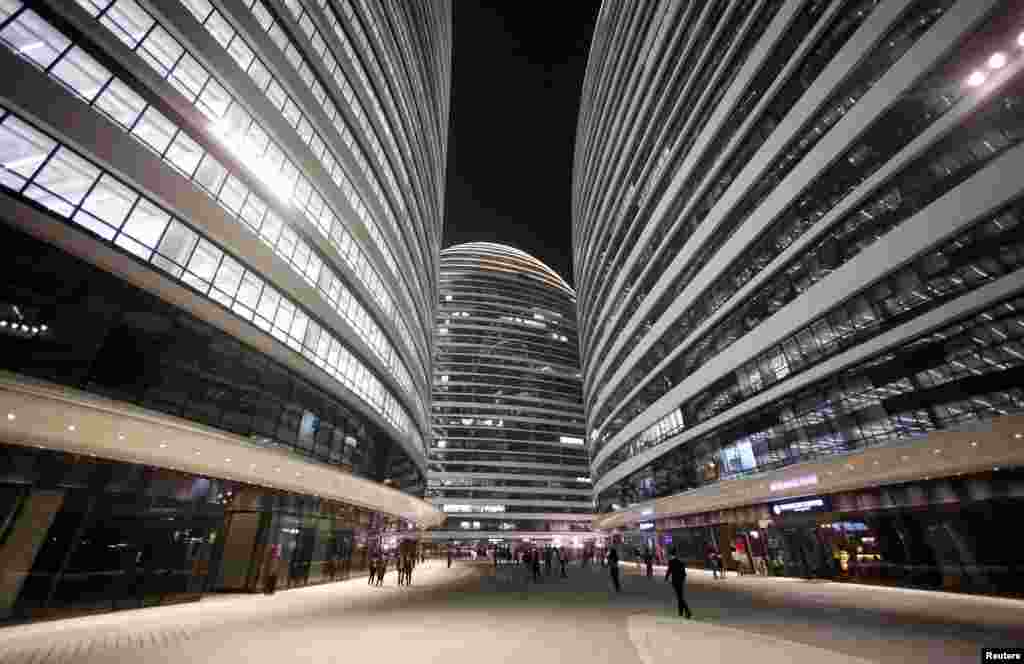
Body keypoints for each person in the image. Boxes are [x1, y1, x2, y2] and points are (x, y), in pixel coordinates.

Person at [665, 548, 693, 619]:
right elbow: (684, 574)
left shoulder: (671, 562)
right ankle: (680, 612)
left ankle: (688, 612)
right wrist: (682, 580)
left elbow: (669, 570)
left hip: (675, 582)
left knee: (680, 598)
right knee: (680, 596)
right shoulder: (680, 562)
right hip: (680, 582)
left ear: (670, 555)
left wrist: (666, 578)